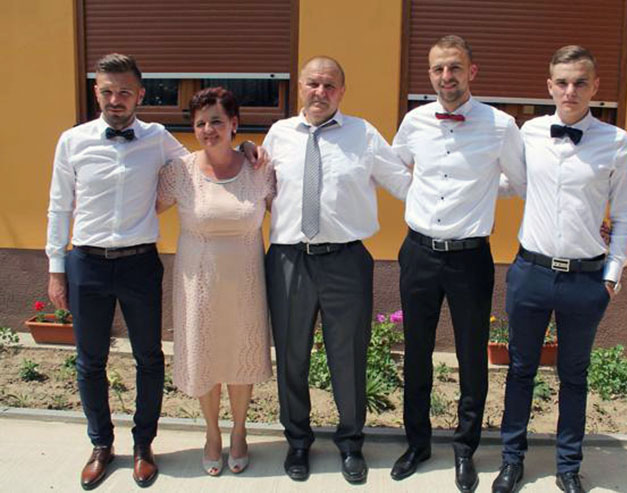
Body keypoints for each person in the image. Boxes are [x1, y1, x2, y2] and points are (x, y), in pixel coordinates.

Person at [45, 54, 262, 490]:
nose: (116, 99)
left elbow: (207, 160)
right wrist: (56, 268)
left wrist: (244, 147)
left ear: (140, 94)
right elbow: (59, 206)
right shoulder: (72, 141)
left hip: (140, 263)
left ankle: (144, 446)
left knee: (148, 358)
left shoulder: (159, 139)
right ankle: (101, 445)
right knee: (90, 360)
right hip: (86, 261)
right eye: (108, 91)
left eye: (125, 91)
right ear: (96, 93)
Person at [491, 45, 627, 493]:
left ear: (595, 87)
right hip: (530, 273)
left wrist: (612, 275)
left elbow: (624, 214)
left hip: (586, 279)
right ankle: (511, 461)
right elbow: (509, 183)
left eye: (579, 82)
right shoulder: (529, 132)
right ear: (549, 86)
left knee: (574, 376)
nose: (570, 90)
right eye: (562, 82)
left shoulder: (617, 142)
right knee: (520, 370)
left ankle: (568, 466)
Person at [262, 56, 412, 484]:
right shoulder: (278, 134)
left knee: (348, 356)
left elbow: (404, 184)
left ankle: (350, 442)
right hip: (289, 259)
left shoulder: (363, 134)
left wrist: (461, 196)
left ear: (342, 92)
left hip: (346, 260)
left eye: (330, 86)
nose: (320, 92)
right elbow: (260, 190)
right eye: (313, 83)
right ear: (300, 87)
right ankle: (297, 441)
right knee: (291, 354)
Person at [390, 35, 527, 493]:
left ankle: (465, 448)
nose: (446, 77)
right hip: (418, 253)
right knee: (416, 353)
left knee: (471, 357)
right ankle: (417, 443)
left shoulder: (501, 126)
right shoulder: (414, 121)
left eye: (454, 68)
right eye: (437, 69)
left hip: (470, 258)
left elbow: (520, 181)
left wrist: (483, 189)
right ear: (429, 75)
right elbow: (395, 167)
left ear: (472, 71)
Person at [156, 87, 273, 476]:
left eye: (217, 121)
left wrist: (252, 148)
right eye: (200, 123)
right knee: (205, 354)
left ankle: (239, 431)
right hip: (199, 283)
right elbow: (144, 206)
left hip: (245, 282)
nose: (208, 129)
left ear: (234, 124)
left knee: (240, 353)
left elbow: (285, 209)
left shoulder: (258, 168)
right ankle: (211, 433)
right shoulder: (180, 171)